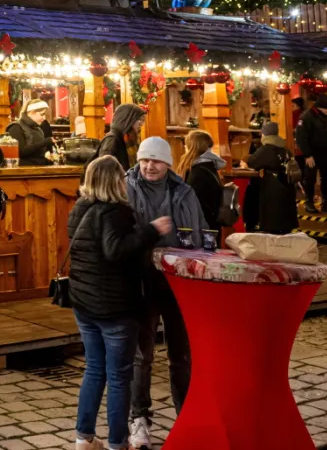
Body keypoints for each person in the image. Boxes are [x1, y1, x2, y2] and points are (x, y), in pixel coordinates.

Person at [69, 156, 171, 450]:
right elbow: (116, 251)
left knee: (94, 369)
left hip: (84, 303)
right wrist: (151, 231)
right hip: (114, 308)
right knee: (117, 376)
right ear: (115, 181)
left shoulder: (79, 208)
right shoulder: (115, 212)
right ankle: (117, 443)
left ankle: (84, 437)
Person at [126, 136, 205, 449]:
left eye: (156, 160)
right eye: (145, 160)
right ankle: (139, 419)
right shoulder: (126, 187)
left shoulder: (184, 192)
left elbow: (198, 233)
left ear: (168, 163)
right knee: (140, 355)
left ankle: (186, 417)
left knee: (181, 354)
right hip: (142, 280)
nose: (149, 166)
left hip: (178, 282)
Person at [243, 122, 300, 235]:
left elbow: (252, 162)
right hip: (286, 183)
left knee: (273, 211)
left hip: (272, 185)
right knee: (284, 209)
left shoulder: (267, 148)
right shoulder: (284, 148)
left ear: (264, 134)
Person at [176, 130, 225, 230]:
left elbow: (191, 202)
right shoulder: (208, 166)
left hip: (202, 227)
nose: (184, 147)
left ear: (192, 147)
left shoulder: (199, 172)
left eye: (186, 144)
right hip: (209, 224)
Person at [96, 103, 144, 170]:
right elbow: (105, 170)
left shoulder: (129, 138)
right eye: (139, 120)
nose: (141, 124)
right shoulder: (112, 140)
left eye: (142, 121)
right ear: (127, 119)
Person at [7, 99, 55, 166]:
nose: (44, 118)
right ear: (31, 112)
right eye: (42, 114)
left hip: (38, 169)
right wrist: (45, 142)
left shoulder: (38, 129)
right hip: (23, 172)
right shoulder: (16, 127)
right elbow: (21, 152)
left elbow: (38, 156)